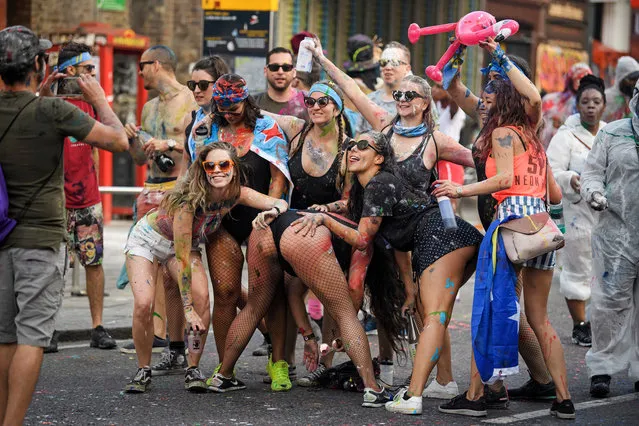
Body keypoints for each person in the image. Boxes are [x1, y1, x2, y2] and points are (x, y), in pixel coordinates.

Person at [312, 36, 475, 400]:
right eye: (398, 95)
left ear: (423, 104)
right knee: (389, 300)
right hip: (389, 231)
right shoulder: (384, 125)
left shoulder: (436, 141)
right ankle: (349, 360)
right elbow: (352, 91)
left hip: (425, 231)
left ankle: (442, 380)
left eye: (409, 96)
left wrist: (462, 190)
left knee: (427, 309)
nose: (400, 100)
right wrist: (323, 59)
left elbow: (482, 159)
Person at [293, 130, 482, 414]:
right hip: (442, 241)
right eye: (349, 146)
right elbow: (363, 216)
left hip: (441, 238)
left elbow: (362, 239)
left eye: (362, 146)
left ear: (379, 158)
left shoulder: (380, 184)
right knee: (430, 315)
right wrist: (409, 288)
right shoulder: (370, 188)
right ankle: (456, 386)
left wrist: (324, 219)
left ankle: (414, 397)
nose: (352, 150)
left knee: (433, 317)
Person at [0, 25, 127, 426]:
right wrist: (100, 100)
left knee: (4, 336)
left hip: (1, 237)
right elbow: (119, 141)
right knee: (33, 337)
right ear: (38, 64)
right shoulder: (53, 111)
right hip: (39, 240)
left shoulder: (29, 107)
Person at [433, 76, 575, 419]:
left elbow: (504, 180)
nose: (482, 104)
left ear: (502, 102)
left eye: (487, 99)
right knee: (540, 319)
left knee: (489, 310)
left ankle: (476, 395)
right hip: (541, 228)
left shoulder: (501, 133)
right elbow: (554, 195)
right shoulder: (534, 139)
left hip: (510, 225)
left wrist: (458, 190)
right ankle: (564, 398)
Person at [122, 143, 288, 394]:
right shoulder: (190, 201)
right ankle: (143, 369)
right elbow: (182, 258)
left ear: (234, 167)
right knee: (144, 303)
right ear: (203, 169)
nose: (217, 170)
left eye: (224, 165)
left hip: (185, 246)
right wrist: (187, 310)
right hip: (149, 240)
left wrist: (271, 212)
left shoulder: (235, 193)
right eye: (210, 166)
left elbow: (278, 202)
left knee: (203, 297)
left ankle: (193, 368)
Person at [185, 73, 291, 368]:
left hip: (261, 216)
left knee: (270, 293)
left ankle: (279, 361)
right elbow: (195, 170)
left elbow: (278, 177)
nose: (229, 114)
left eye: (234, 108)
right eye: (223, 108)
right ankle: (225, 366)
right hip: (221, 219)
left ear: (246, 101)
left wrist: (269, 215)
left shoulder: (266, 127)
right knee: (226, 292)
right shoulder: (208, 126)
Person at [258, 80, 356, 389]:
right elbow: (254, 113)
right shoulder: (296, 130)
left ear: (336, 107)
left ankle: (323, 363)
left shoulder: (348, 148)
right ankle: (293, 353)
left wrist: (325, 210)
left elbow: (352, 199)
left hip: (331, 226)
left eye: (322, 102)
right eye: (309, 101)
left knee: (329, 297)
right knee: (290, 291)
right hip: (293, 224)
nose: (314, 107)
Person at [123, 45, 198, 373]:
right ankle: (164, 341)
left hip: (178, 193)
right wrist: (133, 141)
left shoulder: (189, 100)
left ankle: (260, 323)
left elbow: (201, 147)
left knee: (181, 273)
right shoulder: (149, 107)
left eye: (142, 66)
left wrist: (169, 143)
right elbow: (140, 159)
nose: (139, 73)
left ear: (157, 65)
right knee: (150, 274)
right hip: (150, 192)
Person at [44, 41, 117, 353]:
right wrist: (44, 94)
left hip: (87, 198)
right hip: (54, 201)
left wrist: (100, 101)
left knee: (93, 261)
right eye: (88, 69)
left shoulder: (91, 103)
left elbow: (104, 146)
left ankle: (97, 327)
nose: (92, 76)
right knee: (51, 267)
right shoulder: (46, 104)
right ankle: (47, 329)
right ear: (70, 70)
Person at [581, 79, 639, 399]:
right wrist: (594, 193)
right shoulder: (612, 133)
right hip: (615, 236)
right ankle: (601, 368)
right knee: (607, 304)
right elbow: (591, 173)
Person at [547, 75, 607, 347]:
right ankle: (579, 325)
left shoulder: (610, 133)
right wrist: (570, 178)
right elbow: (551, 171)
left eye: (596, 101)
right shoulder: (565, 136)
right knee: (576, 268)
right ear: (578, 105)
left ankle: (599, 321)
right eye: (585, 102)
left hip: (606, 216)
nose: (591, 106)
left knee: (604, 270)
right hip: (577, 216)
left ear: (604, 105)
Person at [358, 41, 412, 134]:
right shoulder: (369, 100)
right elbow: (358, 135)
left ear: (407, 69)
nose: (388, 67)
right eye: (383, 62)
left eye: (394, 62)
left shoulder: (418, 100)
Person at [431, 83, 466, 212]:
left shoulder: (455, 109)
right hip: (436, 159)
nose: (434, 89)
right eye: (434, 86)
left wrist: (452, 84)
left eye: (439, 87)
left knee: (449, 202)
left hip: (451, 161)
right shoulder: (437, 106)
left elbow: (454, 103)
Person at [540, 62, 593, 148]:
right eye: (578, 79)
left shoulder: (594, 104)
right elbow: (540, 130)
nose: (581, 84)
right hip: (552, 151)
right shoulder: (551, 100)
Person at [253, 47, 308, 121]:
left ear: (294, 72)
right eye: (274, 67)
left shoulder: (309, 101)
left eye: (286, 67)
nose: (280, 72)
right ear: (266, 71)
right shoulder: (252, 104)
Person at [602, 56, 639, 123]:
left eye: (637, 78)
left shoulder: (636, 99)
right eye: (631, 79)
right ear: (621, 78)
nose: (634, 82)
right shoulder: (606, 98)